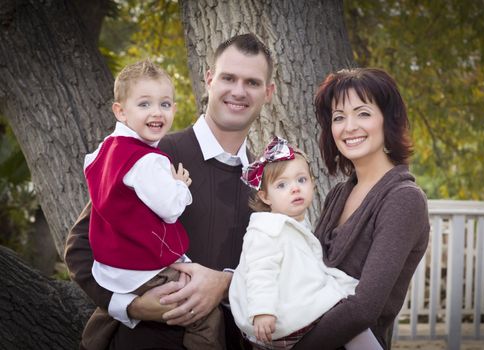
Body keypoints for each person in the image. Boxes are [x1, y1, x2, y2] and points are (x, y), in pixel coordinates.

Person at [64, 33, 275, 350]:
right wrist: (132, 306)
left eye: (252, 83)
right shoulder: (152, 156)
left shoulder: (267, 183)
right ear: (209, 80)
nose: (238, 91)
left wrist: (226, 283)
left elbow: (274, 272)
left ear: (268, 92)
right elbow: (80, 248)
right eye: (228, 78)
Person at [81, 58, 224, 350]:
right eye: (144, 104)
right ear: (120, 111)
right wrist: (180, 186)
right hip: (144, 266)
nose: (157, 112)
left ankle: (92, 341)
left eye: (165, 104)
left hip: (111, 266)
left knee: (108, 315)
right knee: (205, 313)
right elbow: (171, 210)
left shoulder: (103, 151)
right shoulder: (150, 160)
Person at [292, 68, 430, 350]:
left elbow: (364, 308)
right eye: (339, 117)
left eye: (363, 113)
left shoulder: (403, 199)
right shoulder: (338, 194)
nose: (349, 126)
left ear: (387, 121)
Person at [229, 136, 381, 350]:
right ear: (265, 196)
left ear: (312, 182)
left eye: (301, 180)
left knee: (351, 317)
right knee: (350, 319)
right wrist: (262, 311)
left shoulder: (296, 223)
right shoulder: (265, 229)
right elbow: (260, 271)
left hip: (296, 312)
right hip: (278, 318)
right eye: (282, 185)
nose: (295, 188)